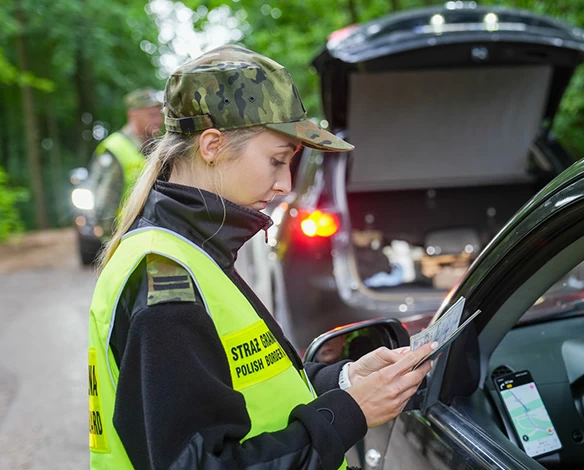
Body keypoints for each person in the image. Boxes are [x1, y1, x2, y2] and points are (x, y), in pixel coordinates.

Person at [87, 45, 437, 470]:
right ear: (212, 145)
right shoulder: (167, 283)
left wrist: (343, 383)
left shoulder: (193, 249)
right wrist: (349, 414)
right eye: (276, 161)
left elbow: (248, 389)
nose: (285, 184)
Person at [92, 88, 164, 225]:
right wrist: (109, 238)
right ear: (133, 115)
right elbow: (105, 202)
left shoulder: (159, 147)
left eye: (160, 115)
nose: (158, 120)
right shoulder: (115, 147)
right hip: (124, 233)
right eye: (152, 115)